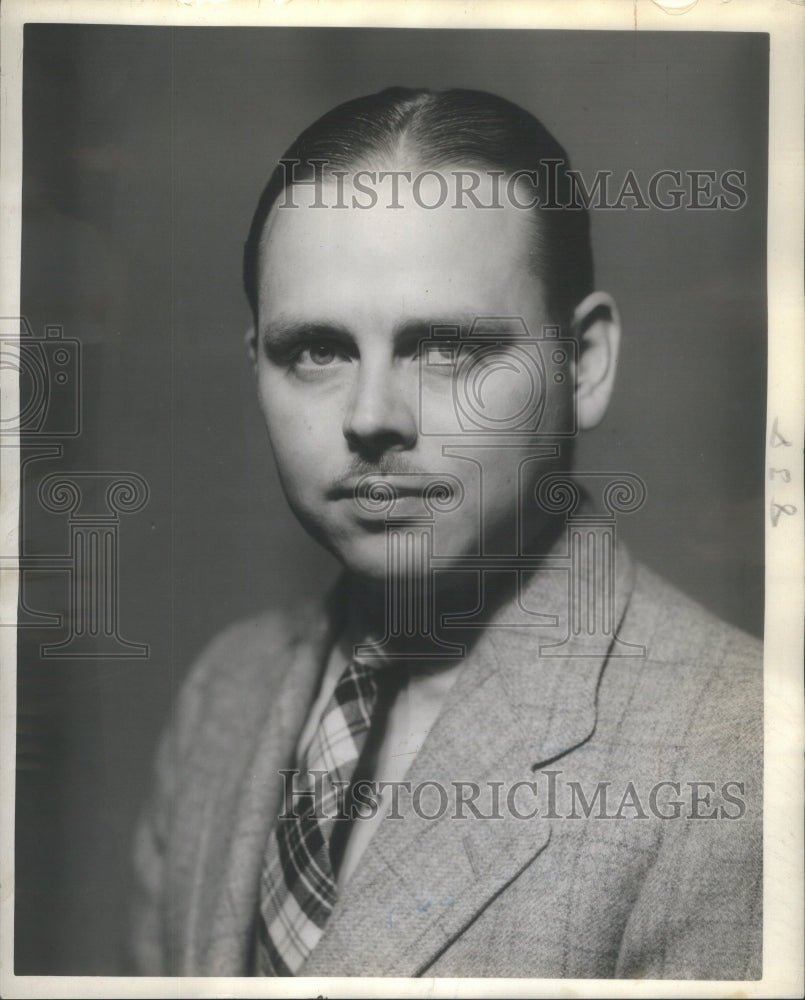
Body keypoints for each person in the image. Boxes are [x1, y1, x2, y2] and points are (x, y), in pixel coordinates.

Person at [130, 88, 762, 980]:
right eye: (317, 350)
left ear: (582, 364)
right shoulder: (224, 692)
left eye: (447, 348)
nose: (371, 417)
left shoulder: (742, 755)